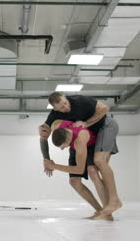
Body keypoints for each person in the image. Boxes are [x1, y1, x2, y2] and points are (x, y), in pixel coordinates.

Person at [39, 92, 122, 220]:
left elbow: (105, 108)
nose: (65, 107)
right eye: (61, 107)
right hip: (79, 137)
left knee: (97, 164)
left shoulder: (80, 101)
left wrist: (86, 123)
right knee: (74, 181)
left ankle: (114, 201)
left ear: (66, 98)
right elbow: (43, 136)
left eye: (65, 103)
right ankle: (102, 211)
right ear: (55, 110)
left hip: (103, 127)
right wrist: (47, 159)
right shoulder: (54, 120)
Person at [44, 119, 113, 220]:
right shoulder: (56, 125)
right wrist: (46, 160)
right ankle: (99, 211)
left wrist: (54, 166)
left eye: (63, 146)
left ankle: (107, 213)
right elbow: (45, 138)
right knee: (74, 181)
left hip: (91, 145)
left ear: (68, 141)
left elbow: (79, 170)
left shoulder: (79, 140)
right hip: (76, 147)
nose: (62, 149)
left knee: (92, 172)